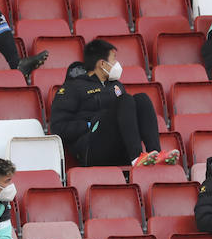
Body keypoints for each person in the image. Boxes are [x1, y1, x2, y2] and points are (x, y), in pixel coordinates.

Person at [50, 39, 178, 167]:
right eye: (113, 60)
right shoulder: (72, 87)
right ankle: (136, 156)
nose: (116, 64)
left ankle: (155, 152)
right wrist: (89, 124)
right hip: (91, 149)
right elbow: (58, 128)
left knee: (141, 99)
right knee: (125, 99)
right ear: (102, 64)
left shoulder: (116, 85)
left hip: (118, 148)